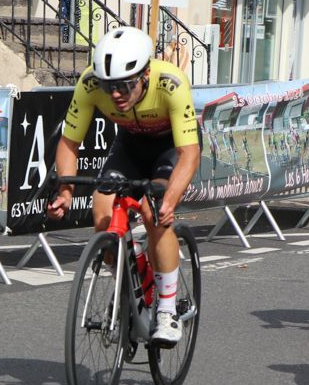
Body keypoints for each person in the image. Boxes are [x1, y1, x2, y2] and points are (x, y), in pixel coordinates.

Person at [47, 26, 201, 347]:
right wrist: (65, 192)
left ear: (145, 74)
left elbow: (189, 153)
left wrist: (170, 200)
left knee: (153, 213)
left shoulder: (170, 83)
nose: (115, 94)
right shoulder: (90, 83)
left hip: (170, 149)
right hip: (130, 146)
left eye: (125, 85)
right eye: (109, 86)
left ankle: (167, 311)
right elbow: (69, 143)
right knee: (102, 213)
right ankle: (130, 283)